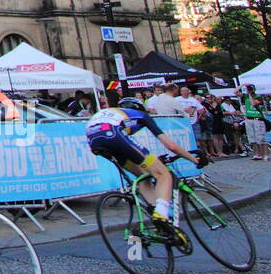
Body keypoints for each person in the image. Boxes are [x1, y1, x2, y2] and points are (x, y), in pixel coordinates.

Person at [87, 94, 207, 233]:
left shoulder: (116, 113)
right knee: (163, 173)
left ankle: (154, 211)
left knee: (143, 175)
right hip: (112, 133)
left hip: (93, 138)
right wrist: (194, 159)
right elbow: (171, 146)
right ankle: (161, 214)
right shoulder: (141, 115)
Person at [241, 84, 270, 161]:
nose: (249, 90)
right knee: (252, 138)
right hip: (249, 119)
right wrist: (242, 85)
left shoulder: (258, 97)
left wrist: (250, 94)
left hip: (258, 119)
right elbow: (235, 92)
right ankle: (256, 154)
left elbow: (254, 104)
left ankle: (266, 154)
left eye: (251, 88)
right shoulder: (245, 96)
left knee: (261, 138)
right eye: (248, 89)